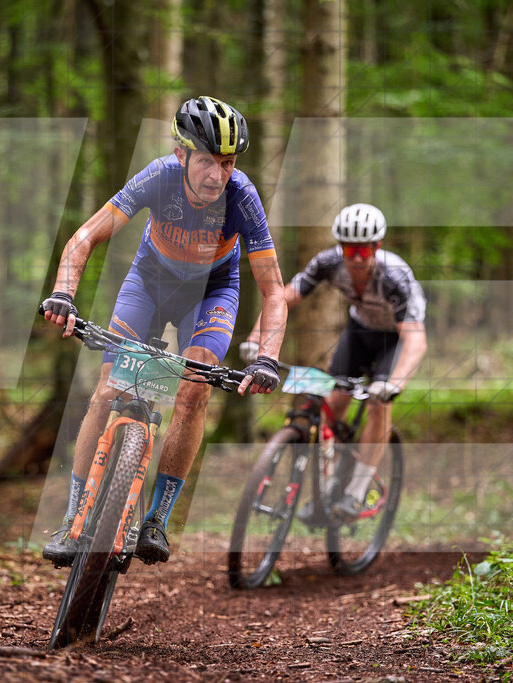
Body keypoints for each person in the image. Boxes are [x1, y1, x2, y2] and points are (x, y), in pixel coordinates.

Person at [41, 96, 287, 566]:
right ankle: (73, 518)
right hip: (149, 284)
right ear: (181, 154)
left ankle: (156, 519)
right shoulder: (158, 176)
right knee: (108, 389)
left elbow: (274, 290)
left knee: (195, 389)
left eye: (228, 163)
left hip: (211, 292)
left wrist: (267, 359)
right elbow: (85, 236)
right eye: (207, 161)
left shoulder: (243, 197)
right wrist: (63, 294)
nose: (217, 174)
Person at [241, 203, 426, 518]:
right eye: (350, 249)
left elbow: (416, 340)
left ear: (377, 247)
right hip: (360, 330)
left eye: (364, 250)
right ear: (340, 247)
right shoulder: (328, 263)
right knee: (333, 402)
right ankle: (328, 488)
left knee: (378, 404)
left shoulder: (395, 277)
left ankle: (356, 492)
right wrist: (256, 337)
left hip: (395, 337)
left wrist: (394, 384)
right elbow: (283, 298)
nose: (356, 258)